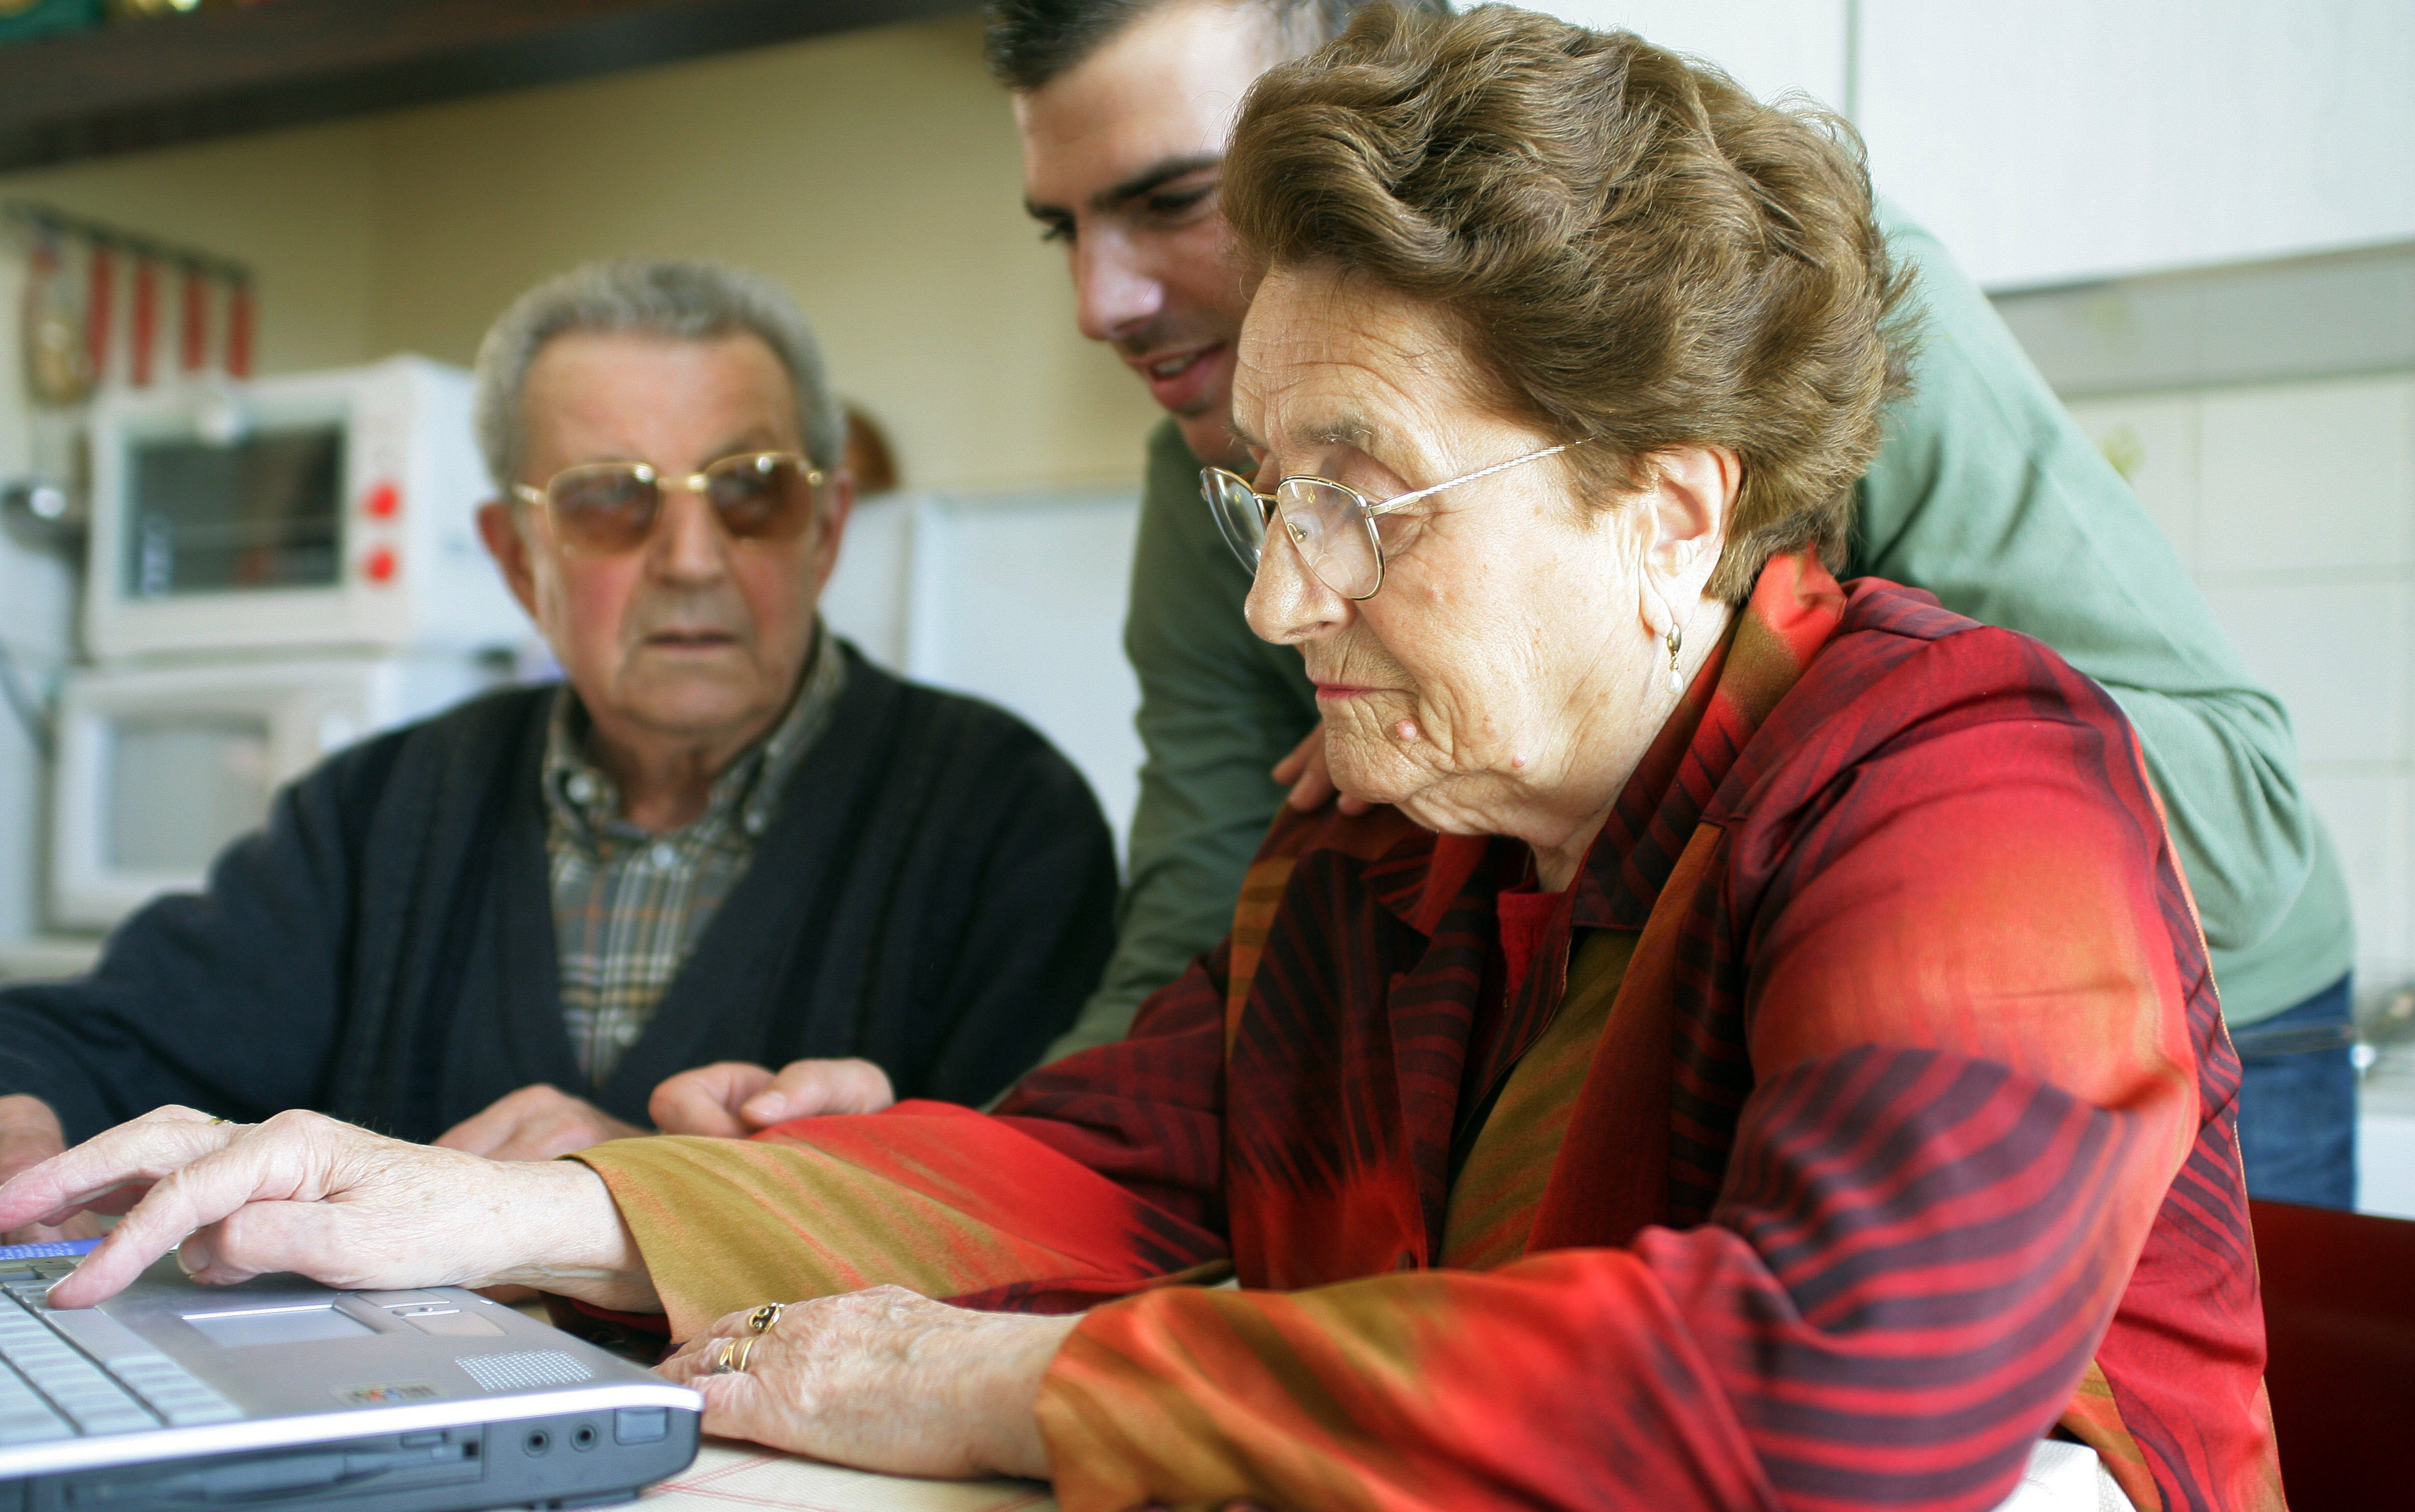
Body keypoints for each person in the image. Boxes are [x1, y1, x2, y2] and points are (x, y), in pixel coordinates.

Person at [2, 13, 2277, 1509]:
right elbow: (1107, 1171)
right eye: (1258, 498)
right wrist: (503, 1209)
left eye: (1357, 497)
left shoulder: (1970, 787)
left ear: (1664, 507)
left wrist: (1011, 1388)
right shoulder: (1386, 853)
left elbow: (1835, 1384)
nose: (1283, 605)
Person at [962, 0, 2353, 1206]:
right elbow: (1205, 924)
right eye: (1060, 228)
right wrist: (922, 1172)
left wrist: (1671, 723)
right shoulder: (1212, 455)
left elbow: (2239, 818)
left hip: (2173, 1004)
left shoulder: (1751, 312)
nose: (1100, 299)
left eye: (1171, 199)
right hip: (1648, 1007)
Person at [0, 260, 1117, 1241]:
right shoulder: (378, 809)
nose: (690, 556)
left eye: (748, 491)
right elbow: (79, 1041)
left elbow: (1042, 1213)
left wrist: (627, 1192)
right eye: (608, 503)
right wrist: (25, 1139)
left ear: (823, 529)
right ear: (512, 552)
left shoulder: (1003, 818)